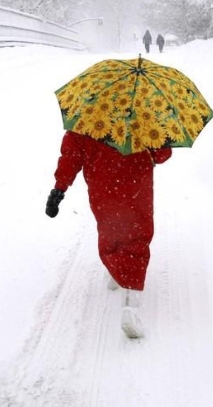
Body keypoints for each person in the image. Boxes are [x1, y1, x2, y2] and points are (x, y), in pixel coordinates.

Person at [45, 130, 172, 338]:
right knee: (137, 238)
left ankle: (116, 271)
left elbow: (71, 155)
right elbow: (161, 154)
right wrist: (160, 141)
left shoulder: (88, 116)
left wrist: (59, 189)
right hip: (136, 183)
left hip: (103, 186)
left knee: (111, 232)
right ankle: (130, 307)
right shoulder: (144, 114)